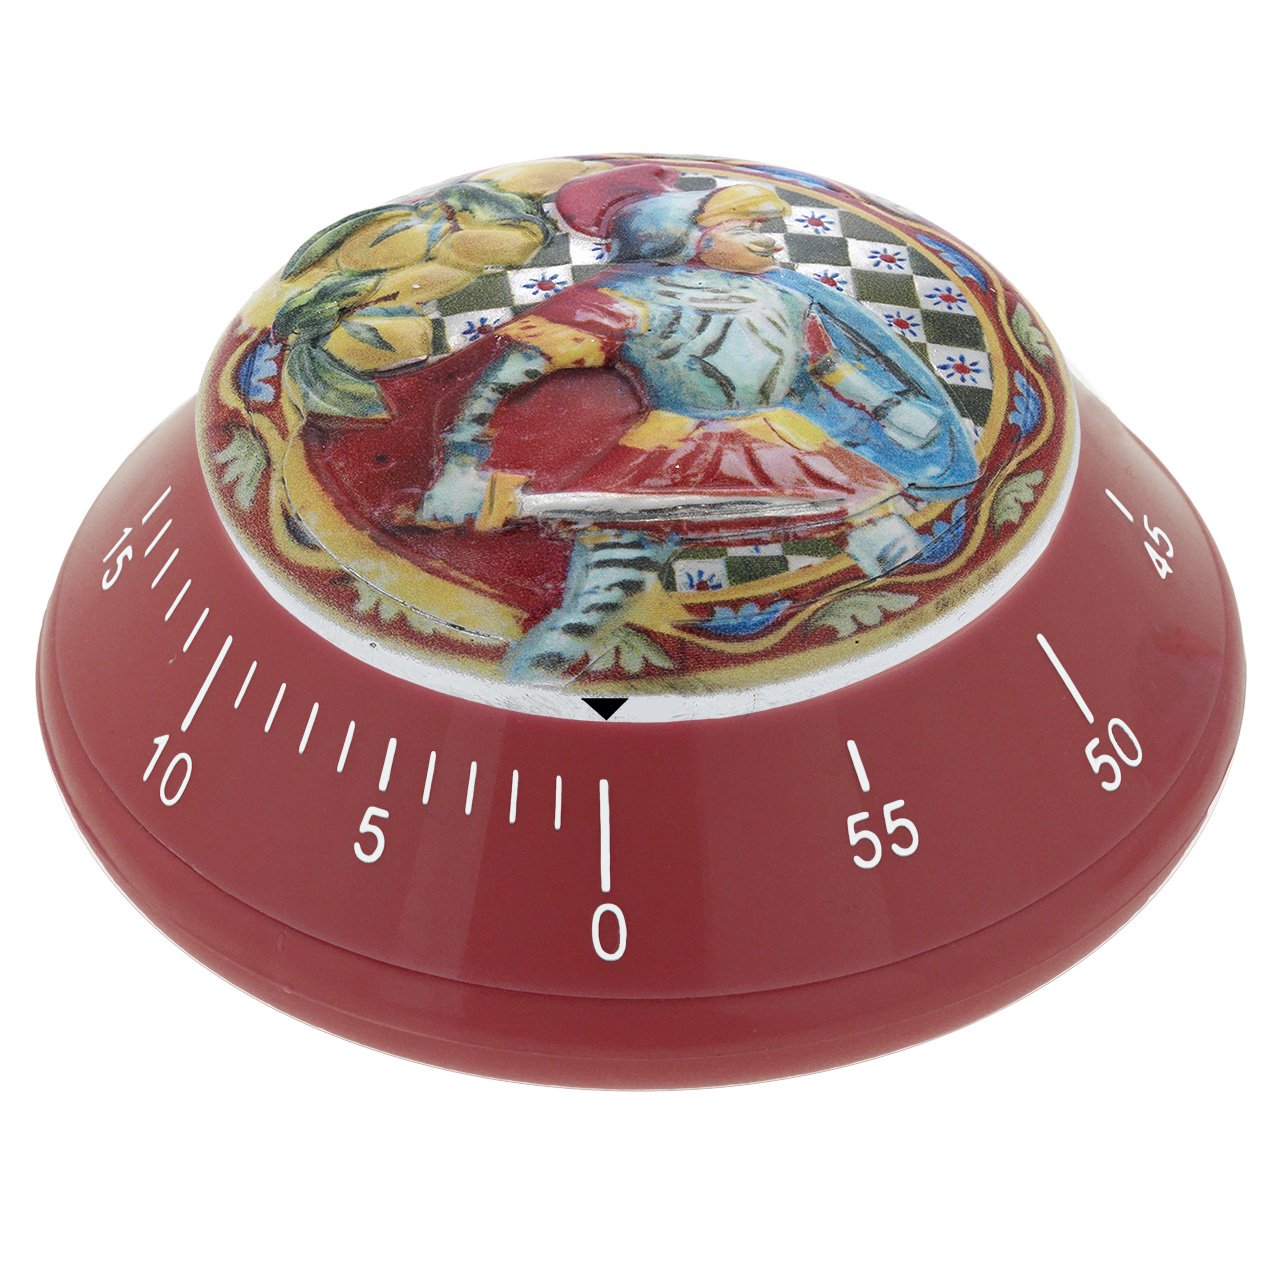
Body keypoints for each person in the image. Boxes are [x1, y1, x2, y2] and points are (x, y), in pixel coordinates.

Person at [405, 164, 980, 680]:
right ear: (684, 237)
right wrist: (462, 463)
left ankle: (926, 666)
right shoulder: (625, 303)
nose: (766, 242)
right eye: (743, 229)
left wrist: (887, 407)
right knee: (598, 602)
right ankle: (538, 680)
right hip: (667, 457)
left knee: (897, 549)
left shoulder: (783, 301)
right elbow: (505, 378)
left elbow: (827, 367)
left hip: (786, 444)